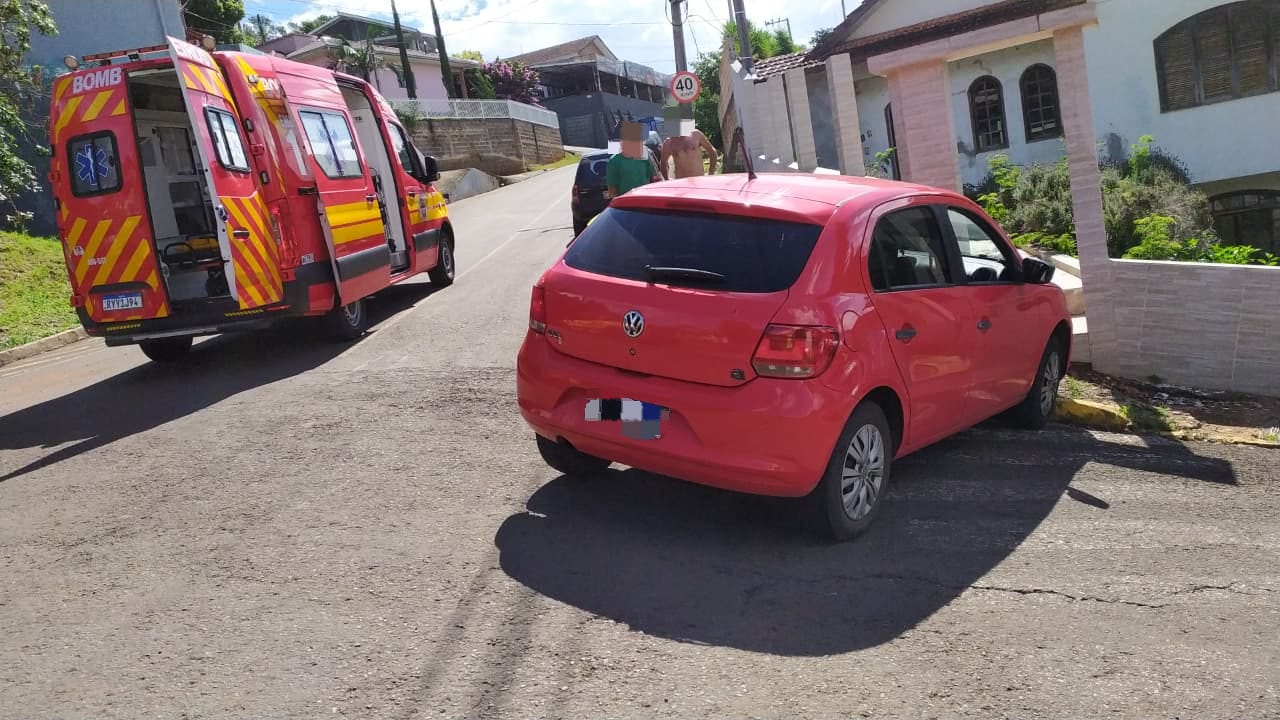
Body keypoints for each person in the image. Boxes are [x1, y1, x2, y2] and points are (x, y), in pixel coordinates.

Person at [606, 122, 662, 199]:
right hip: (628, 205)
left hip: (645, 200)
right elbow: (612, 190)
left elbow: (652, 179)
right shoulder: (614, 161)